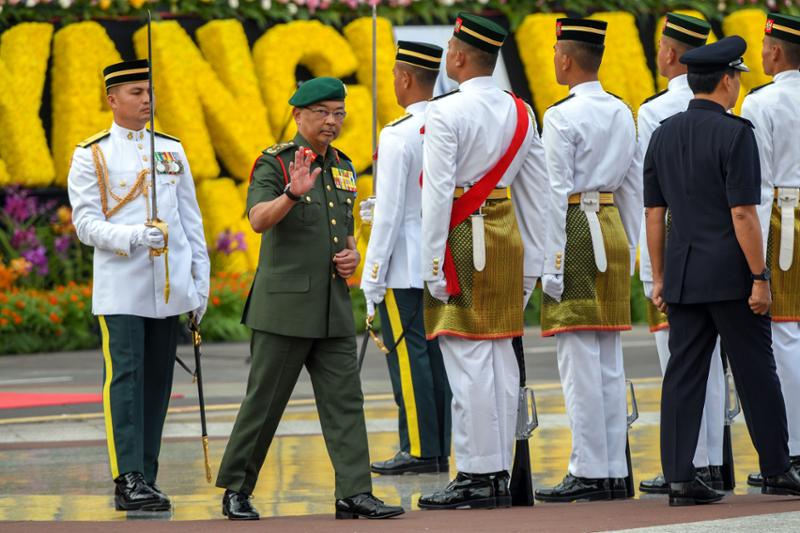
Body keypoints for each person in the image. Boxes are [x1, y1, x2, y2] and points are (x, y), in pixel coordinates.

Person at [214, 77, 404, 521]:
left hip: (331, 307)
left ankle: (354, 492)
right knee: (264, 403)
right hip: (284, 308)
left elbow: (344, 230)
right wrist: (291, 193)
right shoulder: (275, 163)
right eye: (322, 112)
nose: (332, 121)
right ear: (298, 115)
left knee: (346, 402)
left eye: (339, 113)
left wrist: (353, 256)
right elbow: (258, 219)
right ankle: (237, 489)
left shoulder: (343, 165)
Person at [644, 35, 800, 506]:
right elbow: (743, 214)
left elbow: (654, 214)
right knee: (756, 372)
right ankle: (777, 467)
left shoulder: (663, 133)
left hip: (684, 274)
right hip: (732, 276)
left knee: (683, 376)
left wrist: (659, 277)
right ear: (728, 81)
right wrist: (760, 277)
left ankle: (679, 477)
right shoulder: (736, 134)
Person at [417, 13, 549, 510]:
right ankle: (497, 468)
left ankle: (477, 472)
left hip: (461, 243)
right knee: (498, 356)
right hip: (506, 237)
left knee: (468, 360)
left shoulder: (445, 112)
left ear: (457, 56)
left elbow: (437, 196)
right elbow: (537, 193)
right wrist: (535, 263)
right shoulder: (522, 111)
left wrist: (432, 265)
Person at [67, 59, 210, 512]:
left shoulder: (171, 149)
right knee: (126, 380)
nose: (147, 99)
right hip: (122, 287)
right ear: (112, 99)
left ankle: (147, 474)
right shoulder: (92, 153)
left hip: (168, 288)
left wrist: (199, 283)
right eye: (136, 92)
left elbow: (190, 220)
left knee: (158, 383)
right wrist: (132, 236)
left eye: (149, 91)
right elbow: (85, 224)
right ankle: (127, 476)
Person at [535, 18, 641, 503]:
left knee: (578, 361)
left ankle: (588, 469)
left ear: (565, 60)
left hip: (576, 230)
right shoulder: (621, 109)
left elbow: (555, 193)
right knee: (609, 359)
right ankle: (614, 467)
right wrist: (633, 249)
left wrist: (551, 262)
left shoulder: (560, 116)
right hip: (613, 229)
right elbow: (633, 186)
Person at [636, 13, 726, 495]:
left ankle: (689, 462)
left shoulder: (653, 111)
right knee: (711, 360)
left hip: (673, 242)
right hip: (717, 243)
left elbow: (649, 194)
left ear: (670, 54)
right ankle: (714, 460)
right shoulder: (725, 107)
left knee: (679, 361)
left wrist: (653, 268)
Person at [360, 41, 452, 476]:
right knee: (435, 356)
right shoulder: (449, 122)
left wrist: (373, 274)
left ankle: (418, 448)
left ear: (404, 78)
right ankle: (438, 445)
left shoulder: (397, 133)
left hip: (404, 262)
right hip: (441, 257)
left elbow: (392, 214)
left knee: (408, 357)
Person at [741, 12, 800, 488]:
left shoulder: (760, 102)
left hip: (783, 220)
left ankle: (793, 449)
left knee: (783, 335)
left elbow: (756, 188)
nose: (761, 55)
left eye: (764, 47)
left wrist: (753, 262)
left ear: (775, 51)